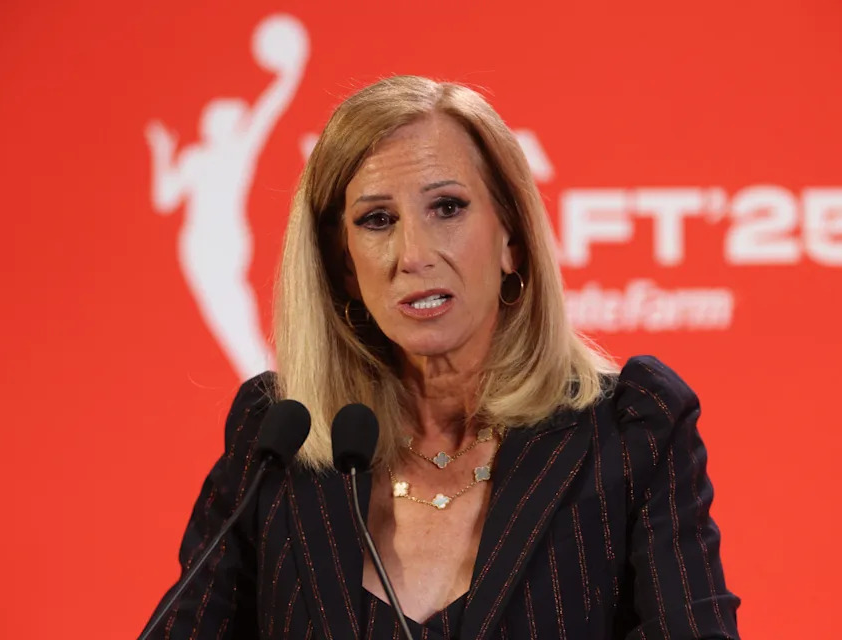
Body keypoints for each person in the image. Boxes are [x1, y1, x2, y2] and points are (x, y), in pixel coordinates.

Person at [142, 75, 740, 640]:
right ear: (345, 264)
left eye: (447, 208)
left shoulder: (631, 431)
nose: (414, 254)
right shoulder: (278, 440)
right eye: (377, 220)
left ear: (512, 237)